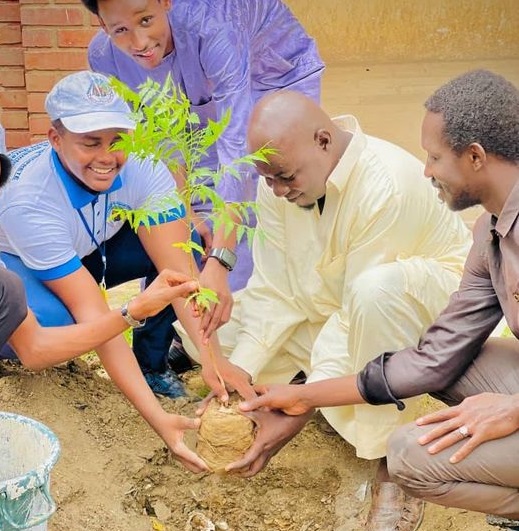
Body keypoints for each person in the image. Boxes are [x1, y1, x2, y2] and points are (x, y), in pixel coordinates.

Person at [176, 89, 472, 528]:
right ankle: (301, 389)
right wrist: (236, 370)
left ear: (323, 141)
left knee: (374, 295)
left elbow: (356, 311)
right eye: (268, 179)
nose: (276, 191)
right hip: (334, 302)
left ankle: (392, 463)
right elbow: (277, 289)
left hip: (418, 314)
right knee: (208, 341)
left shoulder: (383, 186)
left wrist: (299, 408)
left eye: (285, 178)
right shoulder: (277, 178)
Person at [239, 70, 519, 527]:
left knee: (409, 457)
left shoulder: (387, 186)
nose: (424, 170)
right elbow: (433, 358)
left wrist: (511, 409)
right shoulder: (489, 232)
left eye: (434, 157)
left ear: (475, 157)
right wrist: (306, 396)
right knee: (440, 361)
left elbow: (358, 308)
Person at [0, 71, 248, 447]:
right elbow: (98, 316)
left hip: (90, 244)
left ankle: (152, 364)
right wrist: (159, 420)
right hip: (17, 255)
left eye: (116, 139)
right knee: (58, 319)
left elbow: (180, 278)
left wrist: (215, 362)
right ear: (55, 138)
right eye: (90, 142)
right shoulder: (29, 203)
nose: (107, 156)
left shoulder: (144, 167)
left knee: (185, 242)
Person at [81, 0, 325, 335]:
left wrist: (221, 260)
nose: (138, 43)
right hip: (202, 98)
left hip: (275, 75)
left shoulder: (212, 25)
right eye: (120, 29)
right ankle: (198, 332)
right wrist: (187, 214)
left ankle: (274, 327)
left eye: (147, 20)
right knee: (201, 211)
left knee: (273, 191)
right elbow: (160, 136)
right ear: (100, 22)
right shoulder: (104, 57)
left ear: (165, 2)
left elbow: (238, 147)